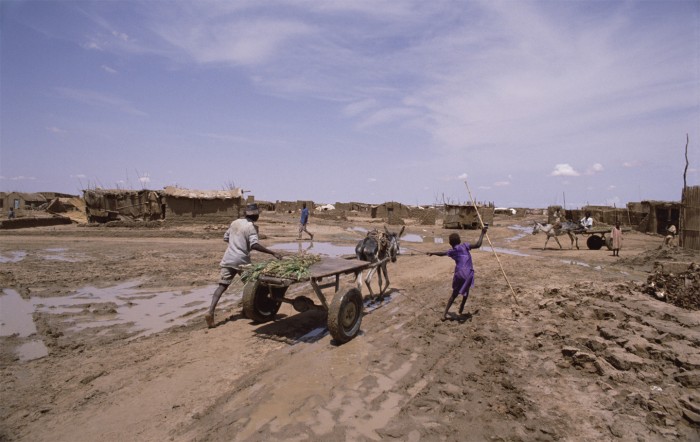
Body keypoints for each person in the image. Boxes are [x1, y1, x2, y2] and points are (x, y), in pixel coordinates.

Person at [205, 203, 282, 328]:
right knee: (251, 285)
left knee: (222, 286)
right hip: (241, 260)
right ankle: (249, 310)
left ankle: (210, 312)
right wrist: (272, 252)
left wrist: (236, 242)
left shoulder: (235, 223)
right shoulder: (250, 227)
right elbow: (254, 245)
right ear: (255, 215)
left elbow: (226, 238)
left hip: (228, 258)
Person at [428, 225, 488, 321]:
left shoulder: (452, 251)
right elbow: (478, 245)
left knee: (454, 295)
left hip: (459, 273)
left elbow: (442, 253)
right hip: (468, 273)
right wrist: (482, 233)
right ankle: (462, 307)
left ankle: (444, 314)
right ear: (459, 241)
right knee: (466, 290)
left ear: (450, 243)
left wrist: (432, 253)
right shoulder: (465, 246)